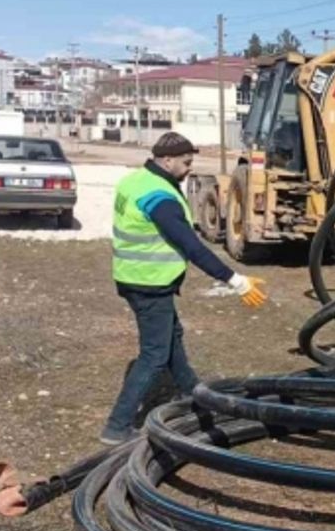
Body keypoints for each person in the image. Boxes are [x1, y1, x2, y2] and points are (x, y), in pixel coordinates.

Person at [101, 132, 268, 445]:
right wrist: (237, 281)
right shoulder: (160, 198)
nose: (190, 168)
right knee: (154, 356)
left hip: (133, 277)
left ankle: (191, 392)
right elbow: (193, 247)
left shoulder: (135, 180)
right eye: (186, 162)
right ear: (167, 160)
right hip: (149, 282)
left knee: (172, 337)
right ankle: (117, 426)